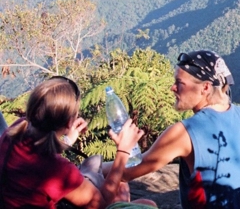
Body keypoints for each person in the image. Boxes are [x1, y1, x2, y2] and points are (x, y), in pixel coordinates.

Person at [121, 50, 240, 208]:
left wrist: (94, 168)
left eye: (179, 83)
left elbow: (127, 172)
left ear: (205, 87)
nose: (172, 88)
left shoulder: (185, 132)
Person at [0, 76, 156, 209]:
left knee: (122, 187)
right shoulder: (60, 171)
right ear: (69, 122)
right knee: (147, 204)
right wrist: (123, 151)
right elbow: (101, 205)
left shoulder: (17, 128)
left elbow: (39, 155)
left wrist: (68, 139)